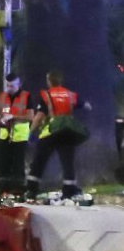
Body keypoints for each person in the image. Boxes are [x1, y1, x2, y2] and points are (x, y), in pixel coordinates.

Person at [25, 70, 92, 200]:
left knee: (40, 160)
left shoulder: (46, 95)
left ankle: (32, 189)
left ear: (49, 81)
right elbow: (87, 105)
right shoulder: (70, 94)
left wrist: (31, 131)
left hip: (51, 131)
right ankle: (69, 190)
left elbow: (39, 116)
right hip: (67, 131)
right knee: (68, 161)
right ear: (60, 81)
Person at [0, 73, 35, 198]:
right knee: (3, 165)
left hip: (19, 136)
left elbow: (30, 116)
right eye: (7, 85)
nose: (9, 88)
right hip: (5, 135)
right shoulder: (2, 96)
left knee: (18, 166)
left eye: (12, 86)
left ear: (19, 84)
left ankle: (18, 192)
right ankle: (3, 192)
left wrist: (14, 116)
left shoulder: (26, 96)